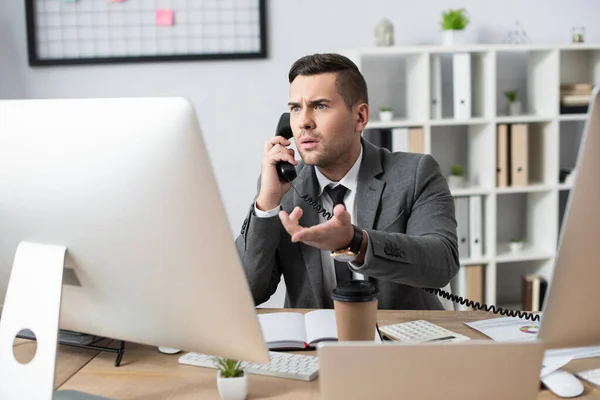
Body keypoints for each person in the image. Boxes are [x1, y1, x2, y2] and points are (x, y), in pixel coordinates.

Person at [235, 53, 459, 310]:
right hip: (316, 345)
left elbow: (442, 263)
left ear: (360, 117)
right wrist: (266, 205)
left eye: (320, 106)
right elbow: (245, 293)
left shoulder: (416, 172)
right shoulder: (280, 188)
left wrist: (356, 242)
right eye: (296, 108)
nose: (304, 122)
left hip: (399, 340)